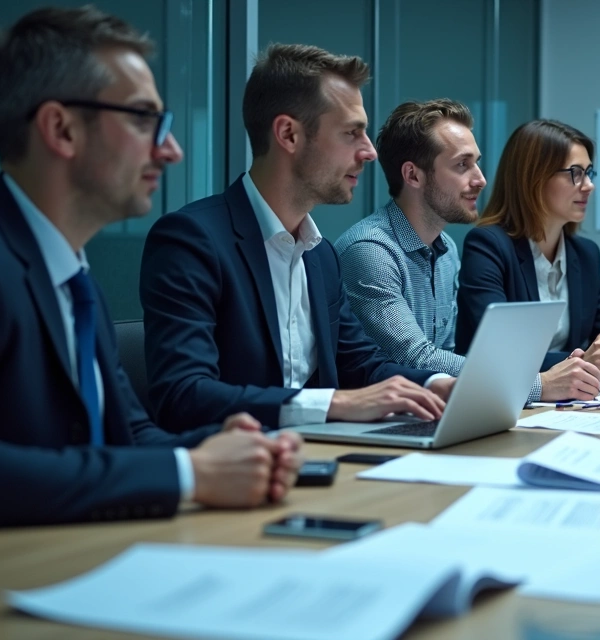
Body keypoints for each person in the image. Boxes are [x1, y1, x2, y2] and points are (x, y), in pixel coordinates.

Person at [0, 6, 303, 527]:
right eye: (143, 119)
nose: (172, 149)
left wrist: (232, 447)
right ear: (61, 129)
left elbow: (131, 436)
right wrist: (189, 472)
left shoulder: (68, 274)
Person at [140, 44, 453, 433]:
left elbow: (360, 363)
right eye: (351, 133)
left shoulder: (320, 255)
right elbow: (184, 396)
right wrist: (333, 403)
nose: (370, 151)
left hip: (318, 459)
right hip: (237, 471)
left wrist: (440, 385)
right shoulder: (191, 241)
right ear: (289, 134)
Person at [335, 101, 600, 403]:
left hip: (428, 411)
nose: (481, 179)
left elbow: (450, 354)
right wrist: (535, 385)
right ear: (413, 176)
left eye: (476, 162)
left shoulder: (446, 249)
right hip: (374, 424)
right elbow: (416, 358)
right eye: (463, 165)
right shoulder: (370, 251)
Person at [457, 119, 600, 376]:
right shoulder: (488, 246)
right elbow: (499, 352)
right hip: (502, 399)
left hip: (564, 403)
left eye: (589, 173)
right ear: (534, 178)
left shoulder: (585, 254)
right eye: (575, 173)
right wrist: (582, 359)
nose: (589, 186)